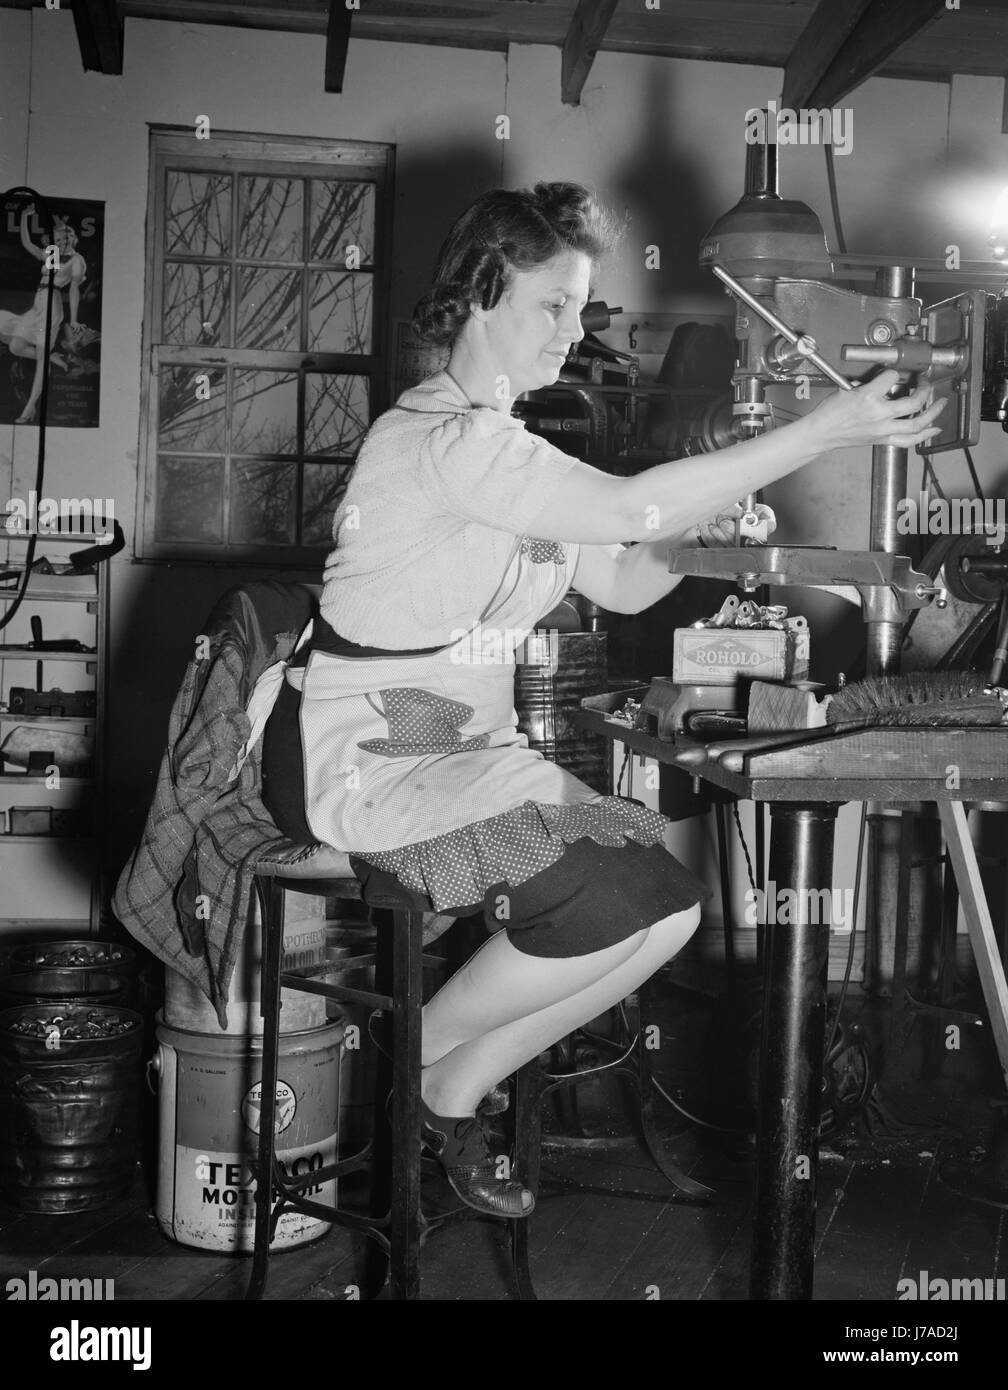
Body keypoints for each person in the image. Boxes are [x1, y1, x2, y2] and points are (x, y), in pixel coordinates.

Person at [260, 182, 944, 1218]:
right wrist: (825, 430)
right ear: (482, 295)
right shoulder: (439, 444)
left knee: (667, 909)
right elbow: (630, 505)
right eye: (554, 304)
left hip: (461, 749)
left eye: (582, 307)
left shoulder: (513, 448)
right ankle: (430, 1047)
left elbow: (623, 572)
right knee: (608, 900)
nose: (574, 331)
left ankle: (448, 1086)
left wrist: (700, 535)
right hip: (365, 753)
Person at [0, 208, 86, 424]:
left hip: (52, 306)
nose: (62, 242)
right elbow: (28, 245)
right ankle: (50, 357)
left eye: (65, 238)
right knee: (15, 347)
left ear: (72, 237)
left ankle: (29, 409)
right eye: (57, 239)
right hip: (39, 301)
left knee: (38, 358)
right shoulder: (54, 255)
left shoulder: (77, 261)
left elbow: (74, 290)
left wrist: (74, 319)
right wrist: (24, 219)